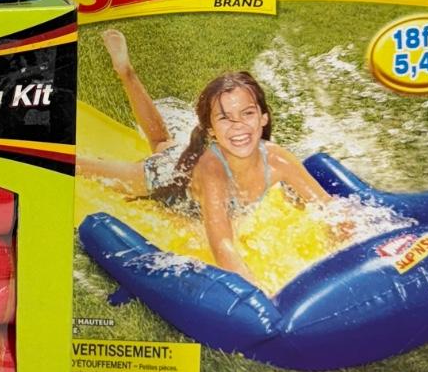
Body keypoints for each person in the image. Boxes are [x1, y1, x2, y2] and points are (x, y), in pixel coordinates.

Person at [79, 29, 332, 284]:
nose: (239, 126)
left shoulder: (278, 159)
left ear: (263, 118)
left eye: (247, 113)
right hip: (166, 177)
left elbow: (331, 208)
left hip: (189, 168)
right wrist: (260, 293)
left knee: (161, 142)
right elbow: (222, 245)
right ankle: (123, 73)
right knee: (90, 170)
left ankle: (126, 71)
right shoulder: (213, 173)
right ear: (211, 130)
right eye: (225, 118)